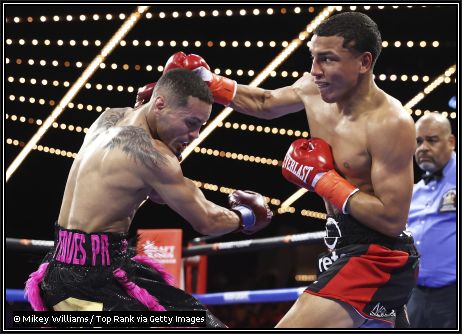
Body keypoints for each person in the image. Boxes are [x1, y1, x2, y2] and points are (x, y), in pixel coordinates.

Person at [140, 12, 420, 328]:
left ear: (364, 62)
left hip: (378, 258)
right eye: (313, 58)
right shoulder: (314, 89)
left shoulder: (390, 123)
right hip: (341, 248)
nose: (315, 71)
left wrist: (322, 179)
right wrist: (208, 81)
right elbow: (264, 102)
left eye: (327, 60)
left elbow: (392, 219)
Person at [25, 68, 272, 328]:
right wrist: (247, 217)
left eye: (201, 125)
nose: (196, 134)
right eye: (190, 123)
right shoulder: (153, 156)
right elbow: (207, 221)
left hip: (60, 269)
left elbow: (150, 194)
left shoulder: (108, 118)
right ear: (160, 103)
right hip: (94, 283)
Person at [406, 112, 456, 328]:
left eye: (432, 140)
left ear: (451, 142)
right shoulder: (413, 191)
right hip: (414, 293)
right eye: (418, 141)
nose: (423, 147)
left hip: (453, 294)